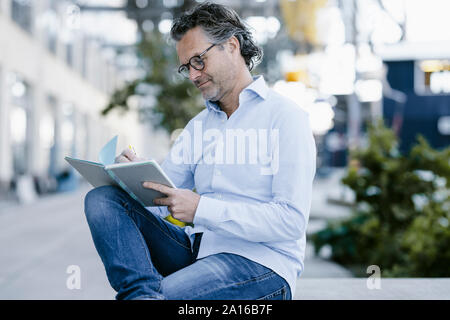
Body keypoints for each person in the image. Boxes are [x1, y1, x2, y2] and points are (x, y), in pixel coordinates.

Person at [84, 2, 316, 300]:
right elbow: (159, 200)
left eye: (198, 61)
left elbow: (291, 221)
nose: (193, 76)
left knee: (167, 296)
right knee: (103, 199)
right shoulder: (199, 127)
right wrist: (132, 179)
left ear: (231, 46)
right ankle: (141, 295)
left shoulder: (285, 117)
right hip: (197, 251)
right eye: (186, 67)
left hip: (262, 264)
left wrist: (200, 209)